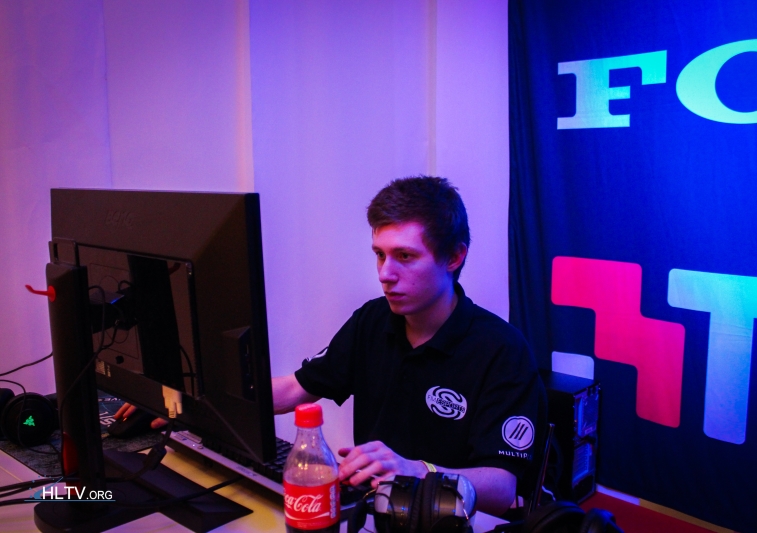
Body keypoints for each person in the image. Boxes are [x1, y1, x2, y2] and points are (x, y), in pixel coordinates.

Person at [117, 176, 543, 516]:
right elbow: (293, 389)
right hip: (369, 514)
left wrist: (418, 470)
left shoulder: (501, 351)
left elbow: (503, 488)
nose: (385, 273)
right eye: (379, 255)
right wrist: (188, 400)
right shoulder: (373, 320)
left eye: (405, 257)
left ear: (454, 257)